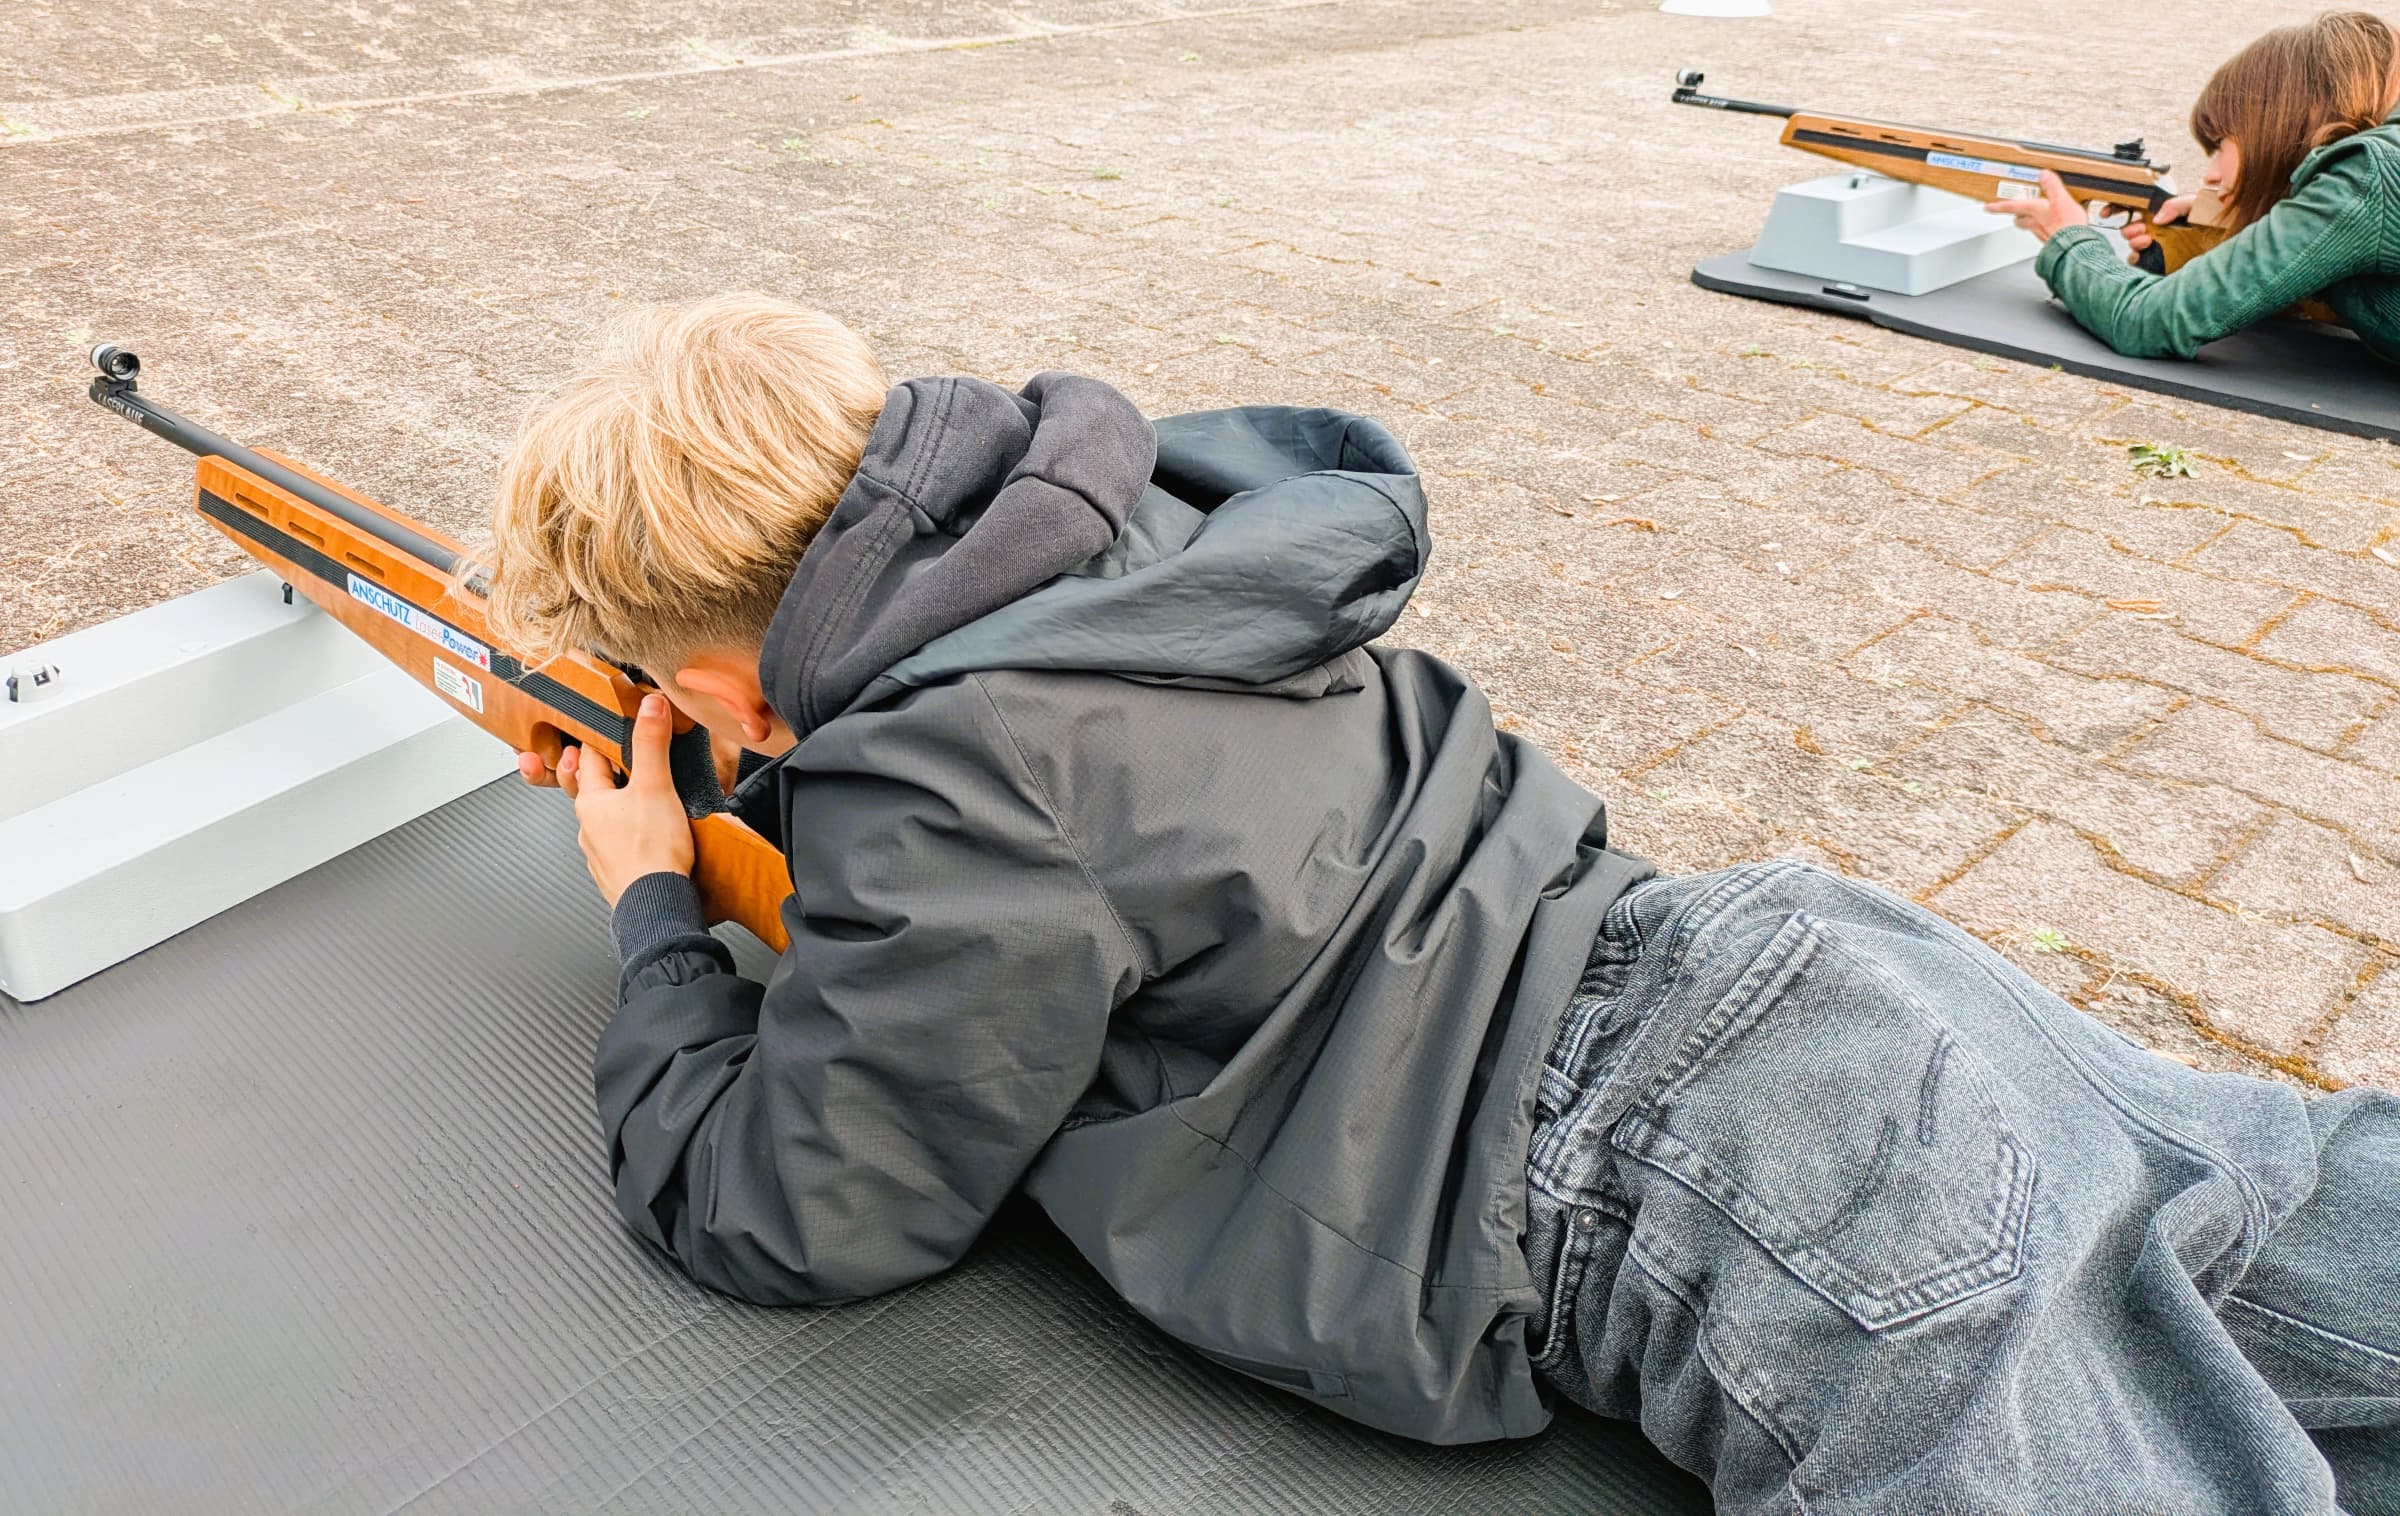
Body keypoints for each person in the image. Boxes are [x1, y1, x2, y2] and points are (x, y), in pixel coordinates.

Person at [482, 292, 2400, 1513]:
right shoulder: (1130, 530)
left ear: (725, 686)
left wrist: (654, 909)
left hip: (1716, 1171)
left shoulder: (943, 788)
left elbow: (796, 1210)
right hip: (1794, 965)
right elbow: (1056, 802)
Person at [1986, 9, 2400, 362]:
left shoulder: (2361, 178)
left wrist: (2069, 240)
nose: (2210, 175)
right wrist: (2226, 236)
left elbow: (2145, 319)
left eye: (2220, 144)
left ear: (2278, 123)